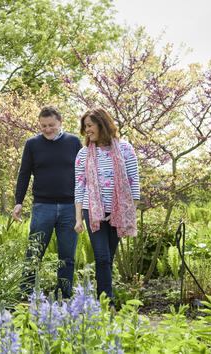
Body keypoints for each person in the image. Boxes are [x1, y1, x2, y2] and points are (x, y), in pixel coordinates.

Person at [13, 106, 83, 299]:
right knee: (34, 252)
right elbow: (24, 174)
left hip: (70, 207)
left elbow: (84, 175)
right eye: (43, 126)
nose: (47, 129)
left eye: (51, 125)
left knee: (67, 256)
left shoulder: (74, 142)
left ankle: (64, 295)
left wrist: (84, 205)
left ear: (60, 122)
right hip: (42, 206)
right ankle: (26, 294)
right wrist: (19, 201)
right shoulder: (32, 144)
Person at [73, 107, 140, 307]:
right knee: (102, 257)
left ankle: (101, 298)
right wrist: (78, 218)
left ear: (102, 125)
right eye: (85, 127)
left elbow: (133, 182)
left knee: (108, 258)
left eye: (90, 126)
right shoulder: (84, 153)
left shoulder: (126, 149)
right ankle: (106, 303)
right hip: (92, 211)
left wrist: (126, 212)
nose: (87, 131)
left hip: (118, 212)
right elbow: (79, 185)